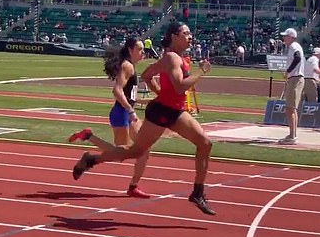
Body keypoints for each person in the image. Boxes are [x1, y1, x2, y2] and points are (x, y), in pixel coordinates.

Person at [71, 22, 216, 216]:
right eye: (186, 33)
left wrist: (160, 92)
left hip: (175, 111)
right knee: (133, 152)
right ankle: (91, 159)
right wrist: (202, 71)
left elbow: (148, 75)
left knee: (205, 143)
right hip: (161, 113)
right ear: (174, 36)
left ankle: (198, 192)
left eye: (190, 33)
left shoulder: (174, 57)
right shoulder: (172, 58)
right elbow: (180, 86)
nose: (190, 36)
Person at [68, 37, 151, 198]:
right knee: (121, 153)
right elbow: (117, 91)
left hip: (127, 112)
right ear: (130, 50)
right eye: (140, 49)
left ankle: (132, 186)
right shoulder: (127, 66)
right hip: (121, 113)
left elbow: (130, 96)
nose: (143, 53)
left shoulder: (131, 67)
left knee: (144, 149)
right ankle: (88, 137)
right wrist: (130, 110)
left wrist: (151, 101)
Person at [279, 27, 305, 145]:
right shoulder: (293, 47)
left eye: (286, 36)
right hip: (294, 78)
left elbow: (298, 57)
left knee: (291, 108)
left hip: (296, 78)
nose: (284, 38)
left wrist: (288, 71)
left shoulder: (294, 46)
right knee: (291, 108)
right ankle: (292, 134)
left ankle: (292, 136)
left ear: (291, 37)